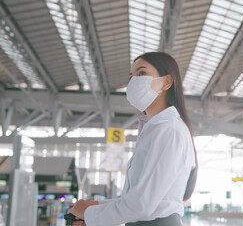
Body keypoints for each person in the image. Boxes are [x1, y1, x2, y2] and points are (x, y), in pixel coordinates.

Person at [68, 52, 198, 226]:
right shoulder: (155, 129)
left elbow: (142, 205)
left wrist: (88, 212)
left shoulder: (169, 130)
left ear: (166, 82)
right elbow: (139, 201)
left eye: (141, 73)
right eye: (131, 77)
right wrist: (95, 208)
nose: (133, 81)